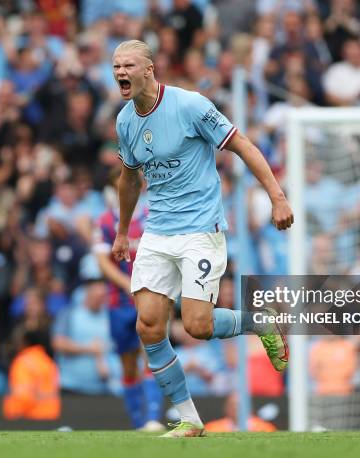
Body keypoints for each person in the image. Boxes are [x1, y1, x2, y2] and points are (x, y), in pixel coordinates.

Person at [111, 40, 293, 438]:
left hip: (199, 230)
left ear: (149, 69)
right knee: (149, 326)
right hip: (158, 231)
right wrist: (124, 231)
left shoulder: (190, 106)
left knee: (197, 325)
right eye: (116, 66)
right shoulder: (125, 121)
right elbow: (128, 178)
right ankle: (190, 419)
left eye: (128, 65)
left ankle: (258, 321)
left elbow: (241, 144)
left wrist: (277, 196)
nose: (121, 72)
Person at [94, 166, 164, 431]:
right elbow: (102, 261)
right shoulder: (103, 221)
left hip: (149, 294)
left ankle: (153, 419)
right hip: (119, 301)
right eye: (120, 184)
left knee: (152, 353)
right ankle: (138, 423)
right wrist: (127, 283)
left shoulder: (152, 215)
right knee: (127, 363)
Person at [3, 330, 60, 421]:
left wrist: (12, 412)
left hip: (29, 417)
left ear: (25, 342)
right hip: (50, 415)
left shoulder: (22, 362)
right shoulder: (48, 362)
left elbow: (22, 395)